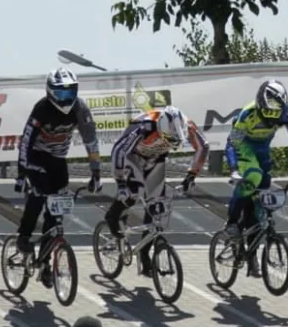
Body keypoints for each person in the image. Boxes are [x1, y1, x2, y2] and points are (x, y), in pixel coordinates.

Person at [14, 68, 101, 288]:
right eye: (61, 94)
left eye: (71, 93)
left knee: (57, 206)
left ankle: (45, 258)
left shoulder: (80, 108)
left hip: (57, 159)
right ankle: (23, 237)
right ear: (51, 92)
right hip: (36, 156)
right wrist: (22, 174)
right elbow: (25, 141)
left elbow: (91, 141)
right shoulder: (42, 109)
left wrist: (96, 172)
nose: (67, 99)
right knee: (39, 194)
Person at [105, 105, 209, 276]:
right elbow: (119, 150)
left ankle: (144, 255)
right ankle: (113, 214)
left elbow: (203, 147)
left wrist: (191, 176)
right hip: (133, 156)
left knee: (156, 207)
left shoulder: (186, 124)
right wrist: (121, 183)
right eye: (170, 140)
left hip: (156, 158)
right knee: (134, 193)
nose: (172, 145)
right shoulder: (145, 126)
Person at [224, 79, 288, 276]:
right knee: (253, 176)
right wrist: (234, 169)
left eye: (275, 118)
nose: (271, 121)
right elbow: (231, 143)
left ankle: (251, 255)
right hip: (243, 147)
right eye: (267, 116)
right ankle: (231, 223)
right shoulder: (248, 114)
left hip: (263, 150)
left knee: (260, 204)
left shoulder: (287, 113)